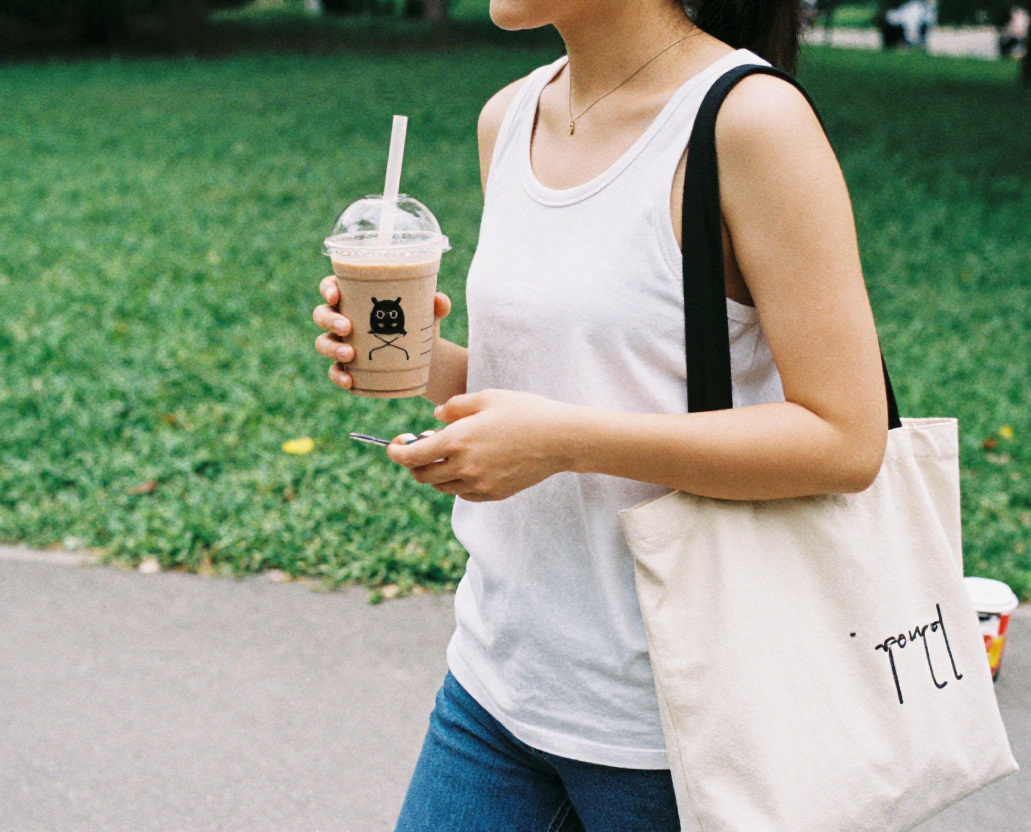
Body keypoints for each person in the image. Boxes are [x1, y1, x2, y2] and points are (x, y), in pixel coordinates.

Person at [312, 0, 889, 827]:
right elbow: (561, 379)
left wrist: (565, 444)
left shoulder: (750, 122)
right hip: (496, 681)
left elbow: (844, 439)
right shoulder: (509, 118)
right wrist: (413, 357)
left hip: (674, 723)